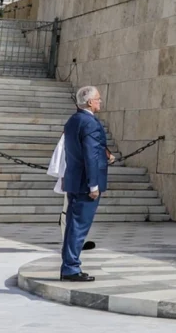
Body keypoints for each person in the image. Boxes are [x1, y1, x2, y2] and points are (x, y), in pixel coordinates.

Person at [60, 86, 109, 282]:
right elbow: (90, 155)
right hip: (85, 184)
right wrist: (93, 185)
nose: (100, 101)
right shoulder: (90, 123)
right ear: (89, 102)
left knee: (73, 226)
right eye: (98, 99)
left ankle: (68, 266)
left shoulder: (73, 120)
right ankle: (71, 268)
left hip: (74, 180)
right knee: (79, 227)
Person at [48, 132, 114, 250]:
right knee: (68, 208)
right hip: (74, 175)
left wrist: (107, 154)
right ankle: (68, 241)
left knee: (80, 210)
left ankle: (76, 241)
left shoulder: (84, 130)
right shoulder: (72, 132)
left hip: (84, 176)